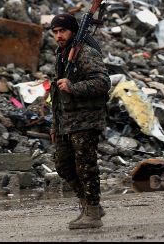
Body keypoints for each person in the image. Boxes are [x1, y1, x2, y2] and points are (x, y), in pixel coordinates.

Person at [49, 12, 110, 229]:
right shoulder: (62, 56)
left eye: (62, 31)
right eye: (55, 32)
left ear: (73, 31)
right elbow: (56, 96)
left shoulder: (85, 53)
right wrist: (54, 125)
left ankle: (92, 212)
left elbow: (103, 82)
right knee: (63, 165)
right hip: (66, 122)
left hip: (85, 120)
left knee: (86, 167)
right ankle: (89, 205)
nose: (58, 36)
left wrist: (73, 87)